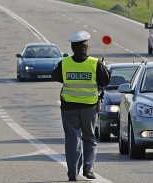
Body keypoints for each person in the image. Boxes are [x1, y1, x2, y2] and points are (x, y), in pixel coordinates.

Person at [51, 30, 111, 181]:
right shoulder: (94, 63)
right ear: (86, 47)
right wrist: (103, 67)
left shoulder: (65, 62)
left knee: (72, 139)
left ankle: (72, 173)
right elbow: (105, 82)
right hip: (89, 107)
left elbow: (55, 76)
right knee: (89, 138)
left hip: (69, 107)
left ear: (72, 48)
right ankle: (88, 170)